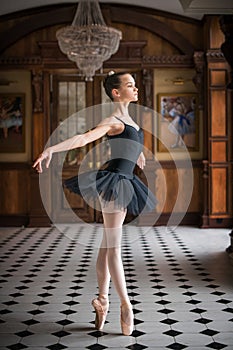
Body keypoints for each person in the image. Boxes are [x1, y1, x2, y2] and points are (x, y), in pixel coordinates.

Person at [33, 71, 157, 336]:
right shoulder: (112, 120)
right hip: (114, 183)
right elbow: (83, 138)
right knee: (113, 246)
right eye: (130, 85)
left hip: (124, 179)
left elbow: (130, 147)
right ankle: (126, 305)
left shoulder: (130, 120)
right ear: (116, 92)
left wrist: (139, 156)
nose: (136, 89)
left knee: (106, 244)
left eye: (135, 84)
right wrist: (50, 149)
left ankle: (102, 299)